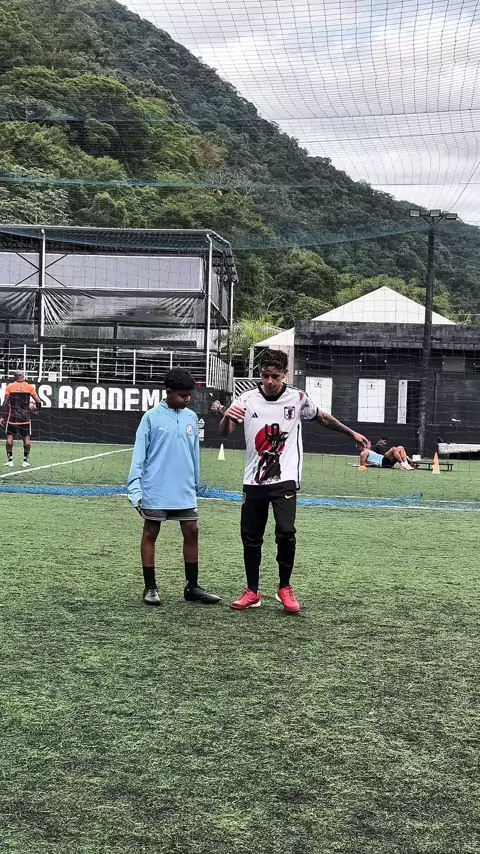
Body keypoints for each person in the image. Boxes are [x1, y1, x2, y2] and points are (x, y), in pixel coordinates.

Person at [219, 349, 369, 613]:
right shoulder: (247, 398)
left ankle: (284, 587)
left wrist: (351, 433)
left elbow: (322, 418)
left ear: (285, 374)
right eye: (265, 375)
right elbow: (225, 431)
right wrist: (226, 416)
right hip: (253, 481)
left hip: (285, 478)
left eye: (275, 376)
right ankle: (252, 591)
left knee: (286, 532)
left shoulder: (297, 398)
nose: (269, 381)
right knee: (251, 537)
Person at [127, 368, 220, 607]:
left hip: (184, 489)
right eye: (182, 395)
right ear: (168, 392)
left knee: (192, 530)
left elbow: (194, 453)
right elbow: (139, 456)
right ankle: (150, 587)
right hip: (155, 488)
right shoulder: (151, 417)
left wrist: (195, 483)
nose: (187, 399)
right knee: (151, 532)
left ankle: (192, 587)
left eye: (189, 395)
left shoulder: (191, 418)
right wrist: (135, 491)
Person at [1, 371, 42, 468]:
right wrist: (37, 409)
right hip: (25, 418)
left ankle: (10, 461)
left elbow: (5, 403)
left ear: (14, 377)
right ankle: (25, 461)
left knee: (9, 438)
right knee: (26, 439)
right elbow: (38, 401)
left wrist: (1, 416)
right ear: (23, 376)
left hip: (13, 417)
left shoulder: (9, 387)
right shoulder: (29, 387)